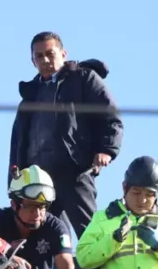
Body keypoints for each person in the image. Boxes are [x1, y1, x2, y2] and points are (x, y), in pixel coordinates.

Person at [8, 31, 123, 242]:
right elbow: (18, 143)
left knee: (90, 233)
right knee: (46, 239)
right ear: (33, 61)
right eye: (39, 56)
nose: (45, 60)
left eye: (50, 54)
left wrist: (106, 149)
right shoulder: (30, 96)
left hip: (74, 169)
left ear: (63, 53)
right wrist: (14, 182)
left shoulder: (83, 79)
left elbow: (110, 116)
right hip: (38, 178)